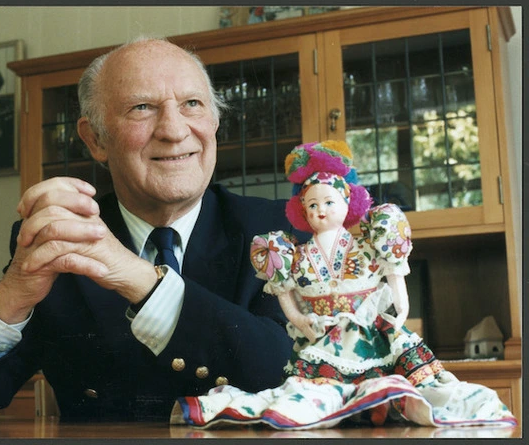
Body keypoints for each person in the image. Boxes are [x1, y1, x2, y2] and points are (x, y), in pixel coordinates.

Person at [0, 37, 306, 422]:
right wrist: (12, 295)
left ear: (214, 123)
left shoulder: (275, 230)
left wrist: (141, 281)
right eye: (142, 107)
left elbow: (300, 375)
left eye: (192, 104)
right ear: (95, 139)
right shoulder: (66, 238)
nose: (174, 129)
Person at [172, 141, 517, 430]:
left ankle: (379, 408)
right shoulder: (289, 252)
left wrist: (402, 307)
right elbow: (286, 294)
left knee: (404, 386)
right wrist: (299, 319)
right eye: (312, 205)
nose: (321, 210)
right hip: (323, 337)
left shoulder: (371, 241)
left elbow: (394, 273)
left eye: (329, 202)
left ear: (348, 203)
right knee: (314, 395)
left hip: (368, 332)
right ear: (301, 212)